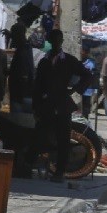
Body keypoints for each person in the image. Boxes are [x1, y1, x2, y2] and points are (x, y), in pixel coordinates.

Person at [32, 29, 93, 182]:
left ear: (61, 41)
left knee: (63, 139)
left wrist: (75, 89)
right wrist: (36, 106)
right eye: (54, 39)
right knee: (41, 137)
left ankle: (60, 172)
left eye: (59, 39)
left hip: (62, 104)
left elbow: (87, 75)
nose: (56, 42)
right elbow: (37, 86)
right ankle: (42, 166)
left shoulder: (69, 60)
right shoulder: (44, 61)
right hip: (46, 105)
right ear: (50, 41)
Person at [8, 23, 35, 114]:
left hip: (20, 95)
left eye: (13, 35)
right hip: (22, 94)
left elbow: (24, 73)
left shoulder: (23, 50)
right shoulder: (26, 47)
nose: (12, 38)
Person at [79, 46, 98, 120]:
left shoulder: (91, 63)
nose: (81, 53)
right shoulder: (78, 62)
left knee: (86, 108)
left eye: (83, 51)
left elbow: (94, 77)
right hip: (78, 89)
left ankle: (85, 121)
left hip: (88, 90)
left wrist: (95, 89)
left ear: (86, 53)